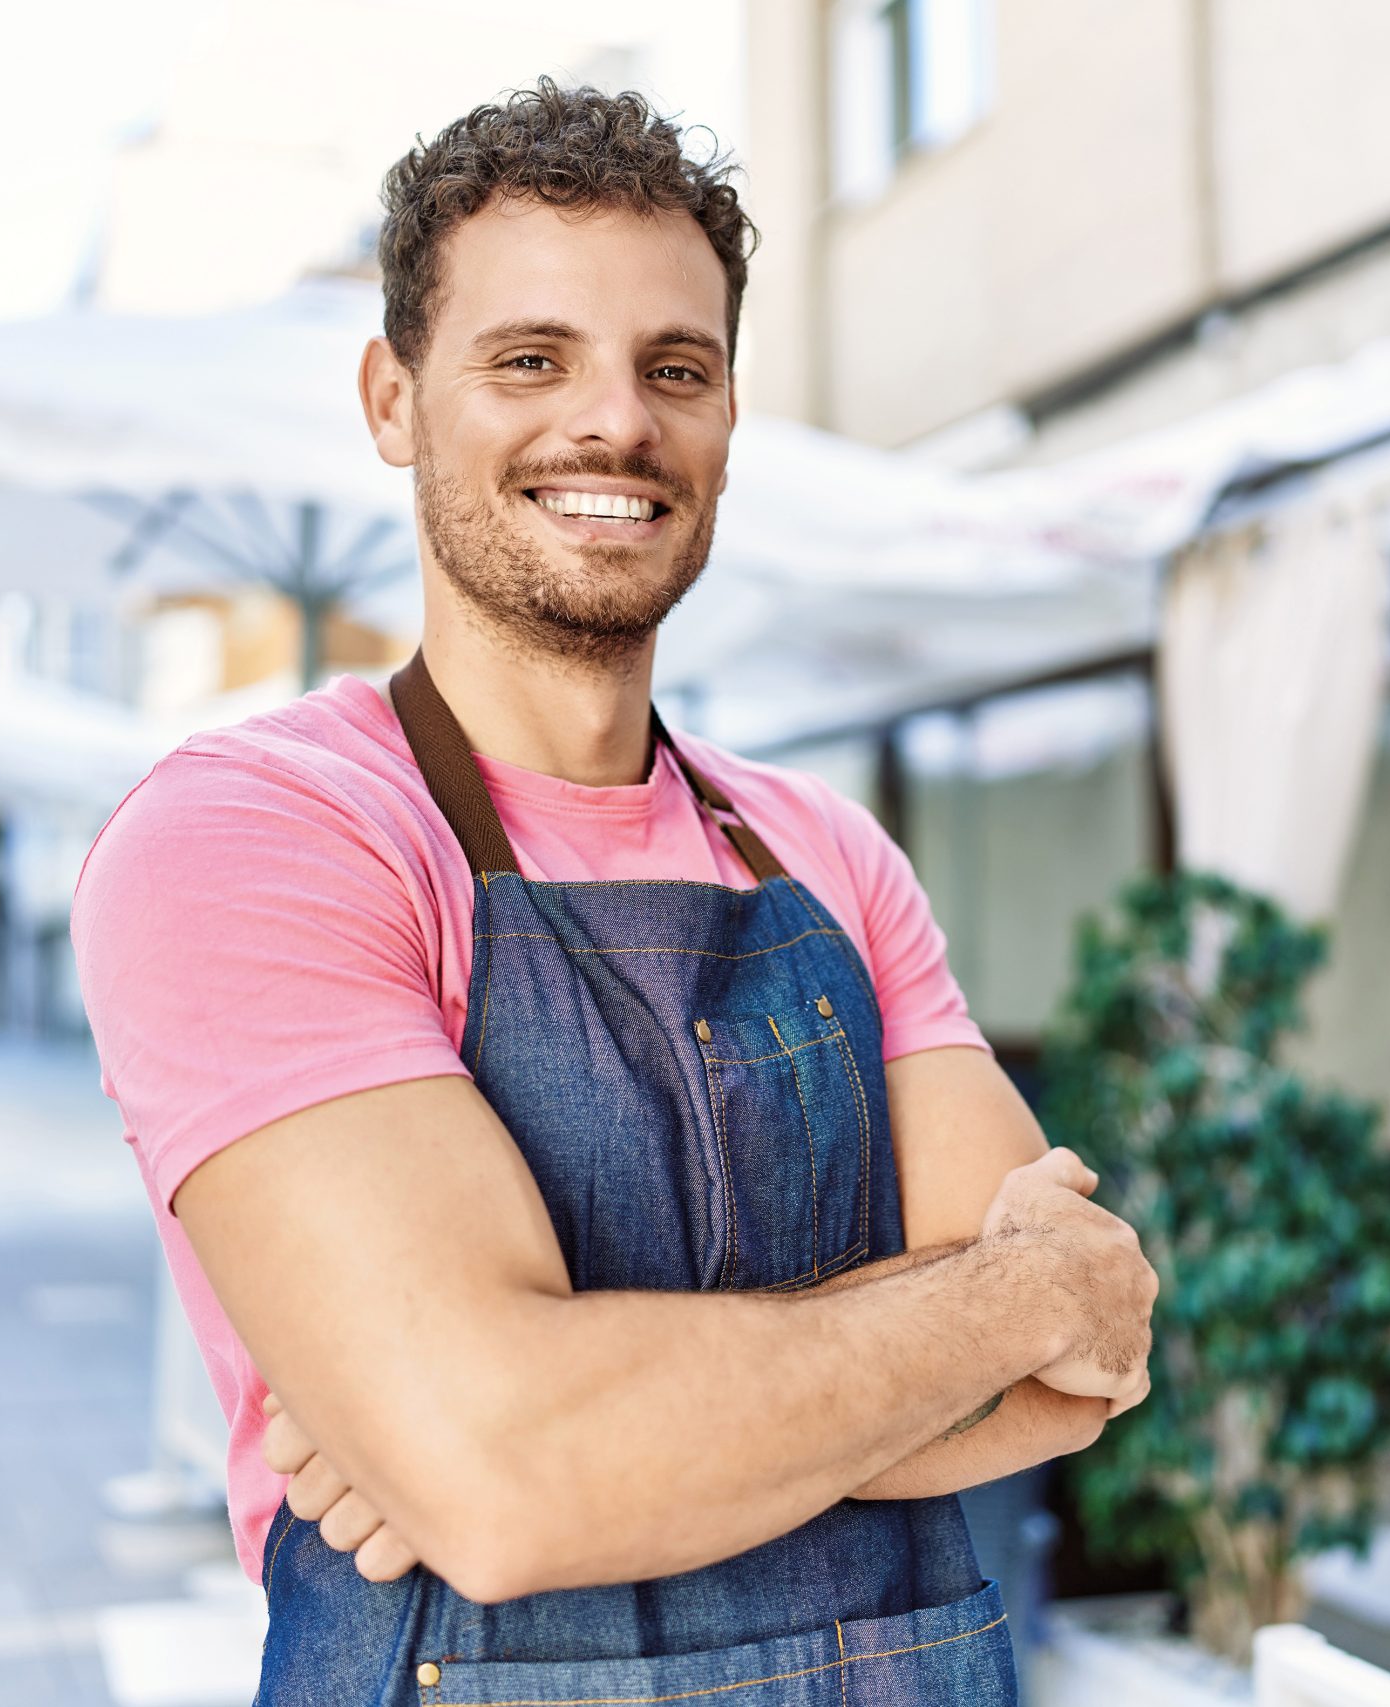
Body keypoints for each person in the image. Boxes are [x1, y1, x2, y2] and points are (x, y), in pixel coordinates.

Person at [70, 80, 1158, 1707]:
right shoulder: (258, 836)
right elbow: (508, 1481)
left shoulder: (829, 854)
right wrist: (992, 1296)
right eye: (530, 360)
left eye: (678, 369)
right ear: (392, 398)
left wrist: (566, 1420)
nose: (617, 425)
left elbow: (1078, 1371)